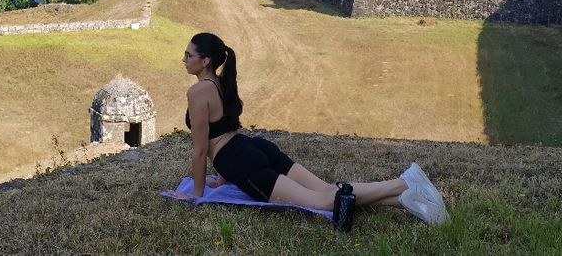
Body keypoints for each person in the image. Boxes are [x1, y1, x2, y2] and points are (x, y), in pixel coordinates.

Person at [168, 32, 448, 225]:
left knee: (323, 202)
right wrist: (225, 178)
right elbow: (226, 129)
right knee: (328, 191)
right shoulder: (220, 82)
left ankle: (403, 182)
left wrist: (197, 193)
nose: (184, 59)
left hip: (240, 160)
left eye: (188, 54)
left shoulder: (198, 93)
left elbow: (201, 149)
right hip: (254, 148)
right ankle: (404, 199)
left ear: (205, 60)